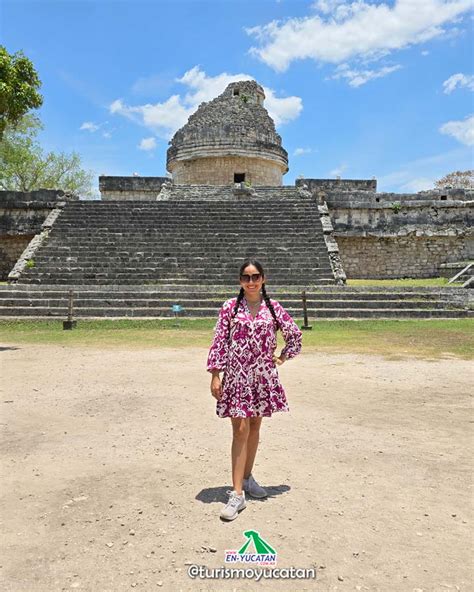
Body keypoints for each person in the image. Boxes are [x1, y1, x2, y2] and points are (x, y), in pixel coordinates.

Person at [206, 259, 303, 521]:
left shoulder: (273, 308)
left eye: (255, 276)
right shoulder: (229, 308)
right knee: (239, 430)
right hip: (236, 377)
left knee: (255, 427)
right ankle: (236, 494)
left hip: (262, 378)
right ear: (240, 281)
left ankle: (247, 479)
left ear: (263, 279)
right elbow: (219, 342)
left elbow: (295, 335)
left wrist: (282, 358)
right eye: (246, 277)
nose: (251, 282)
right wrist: (216, 375)